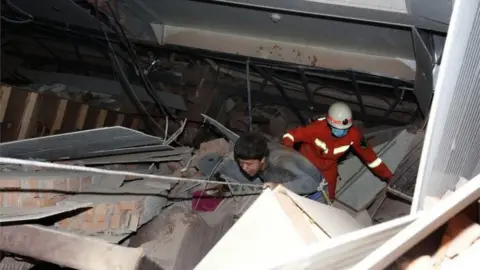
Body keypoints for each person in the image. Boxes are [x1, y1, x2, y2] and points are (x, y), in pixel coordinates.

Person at [281, 102, 393, 201]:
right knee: (298, 186)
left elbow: (371, 158)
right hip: (306, 163)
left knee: (329, 195)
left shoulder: (354, 136)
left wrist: (388, 176)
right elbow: (290, 136)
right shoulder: (316, 129)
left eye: (345, 129)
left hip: (329, 168)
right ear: (329, 124)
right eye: (338, 129)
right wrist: (289, 152)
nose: (342, 132)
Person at [217, 132, 322, 196]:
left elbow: (312, 183)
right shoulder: (259, 151)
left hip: (314, 191)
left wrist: (279, 187)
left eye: (249, 164)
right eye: (241, 163)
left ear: (262, 159)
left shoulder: (281, 162)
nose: (244, 168)